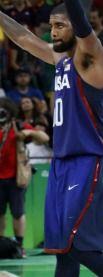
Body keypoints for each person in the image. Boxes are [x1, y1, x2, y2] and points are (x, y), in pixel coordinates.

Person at [0, 0, 103, 275]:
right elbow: (23, 37)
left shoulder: (90, 59)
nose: (54, 32)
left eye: (60, 26)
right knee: (62, 248)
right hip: (62, 161)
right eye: (51, 25)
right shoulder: (59, 59)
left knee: (81, 245)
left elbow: (82, 27)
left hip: (88, 159)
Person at [0, 97, 49, 254]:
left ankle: (19, 246)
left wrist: (27, 132)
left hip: (16, 177)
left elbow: (45, 138)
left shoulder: (17, 126)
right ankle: (1, 245)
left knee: (18, 212)